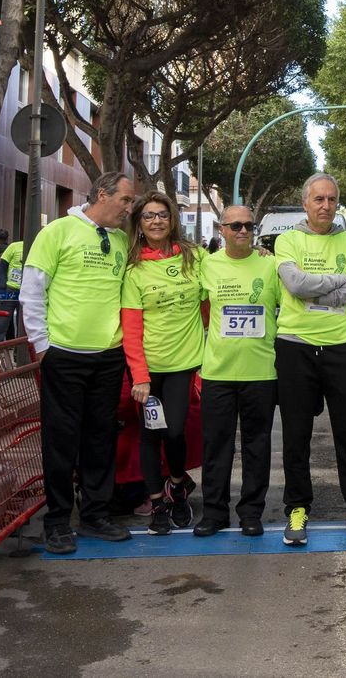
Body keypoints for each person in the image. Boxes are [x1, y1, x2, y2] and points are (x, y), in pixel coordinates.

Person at [22, 172, 138, 554]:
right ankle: (56, 520)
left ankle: (95, 514)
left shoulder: (121, 240)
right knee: (60, 440)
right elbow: (33, 291)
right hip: (65, 356)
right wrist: (43, 347)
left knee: (101, 438)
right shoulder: (57, 232)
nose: (128, 208)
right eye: (124, 199)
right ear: (102, 194)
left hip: (108, 357)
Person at [275, 173, 346, 548]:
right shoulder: (287, 239)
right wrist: (339, 282)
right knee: (296, 436)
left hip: (341, 347)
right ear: (305, 203)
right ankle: (297, 508)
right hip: (295, 347)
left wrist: (320, 291)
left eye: (332, 199)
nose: (325, 205)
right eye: (318, 199)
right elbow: (294, 284)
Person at [119, 191, 204, 535]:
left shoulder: (194, 258)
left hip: (184, 365)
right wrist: (139, 375)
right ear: (139, 224)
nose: (156, 221)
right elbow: (131, 328)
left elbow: (213, 298)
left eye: (163, 215)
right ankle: (157, 502)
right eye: (149, 216)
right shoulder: (133, 269)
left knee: (175, 431)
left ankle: (177, 485)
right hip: (148, 369)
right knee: (151, 434)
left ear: (172, 221)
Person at [196, 205, 280, 537]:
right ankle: (214, 513)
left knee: (257, 446)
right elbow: (198, 309)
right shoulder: (207, 264)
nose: (243, 230)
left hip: (261, 372)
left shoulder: (270, 264)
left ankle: (251, 512)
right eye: (235, 226)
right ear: (221, 229)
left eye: (248, 225)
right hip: (217, 372)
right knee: (216, 446)